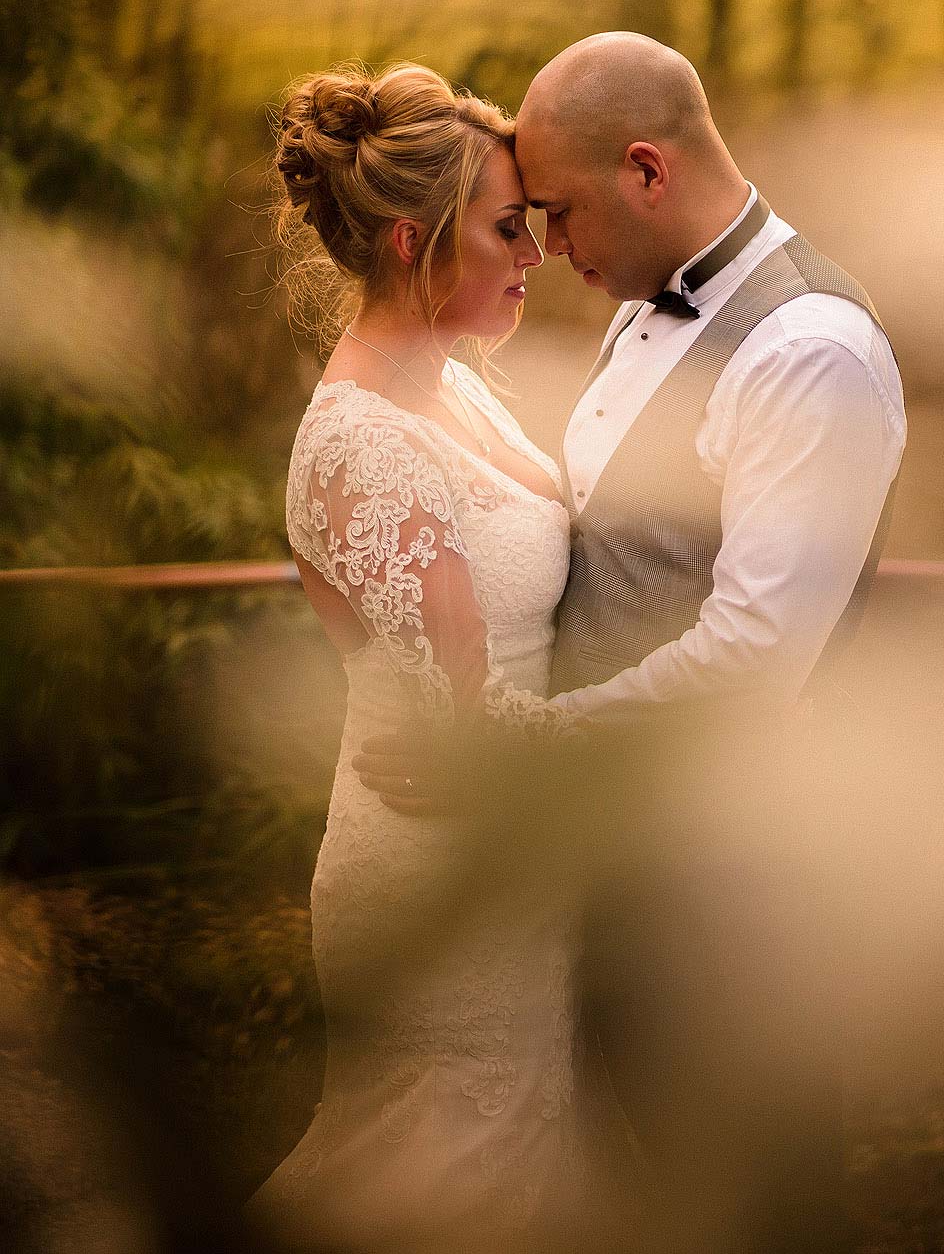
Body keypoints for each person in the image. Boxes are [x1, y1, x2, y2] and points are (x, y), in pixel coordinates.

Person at [353, 33, 906, 1253]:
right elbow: (607, 551)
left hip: (726, 880)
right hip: (609, 862)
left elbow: (756, 654)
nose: (547, 249)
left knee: (750, 1192)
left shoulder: (805, 352)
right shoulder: (640, 294)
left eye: (555, 211)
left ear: (646, 171)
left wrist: (530, 749)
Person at [247, 63, 596, 1251]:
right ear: (412, 240)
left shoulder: (456, 390)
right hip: (438, 859)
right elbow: (467, 722)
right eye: (508, 229)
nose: (532, 256)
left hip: (508, 855)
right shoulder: (362, 444)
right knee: (436, 1180)